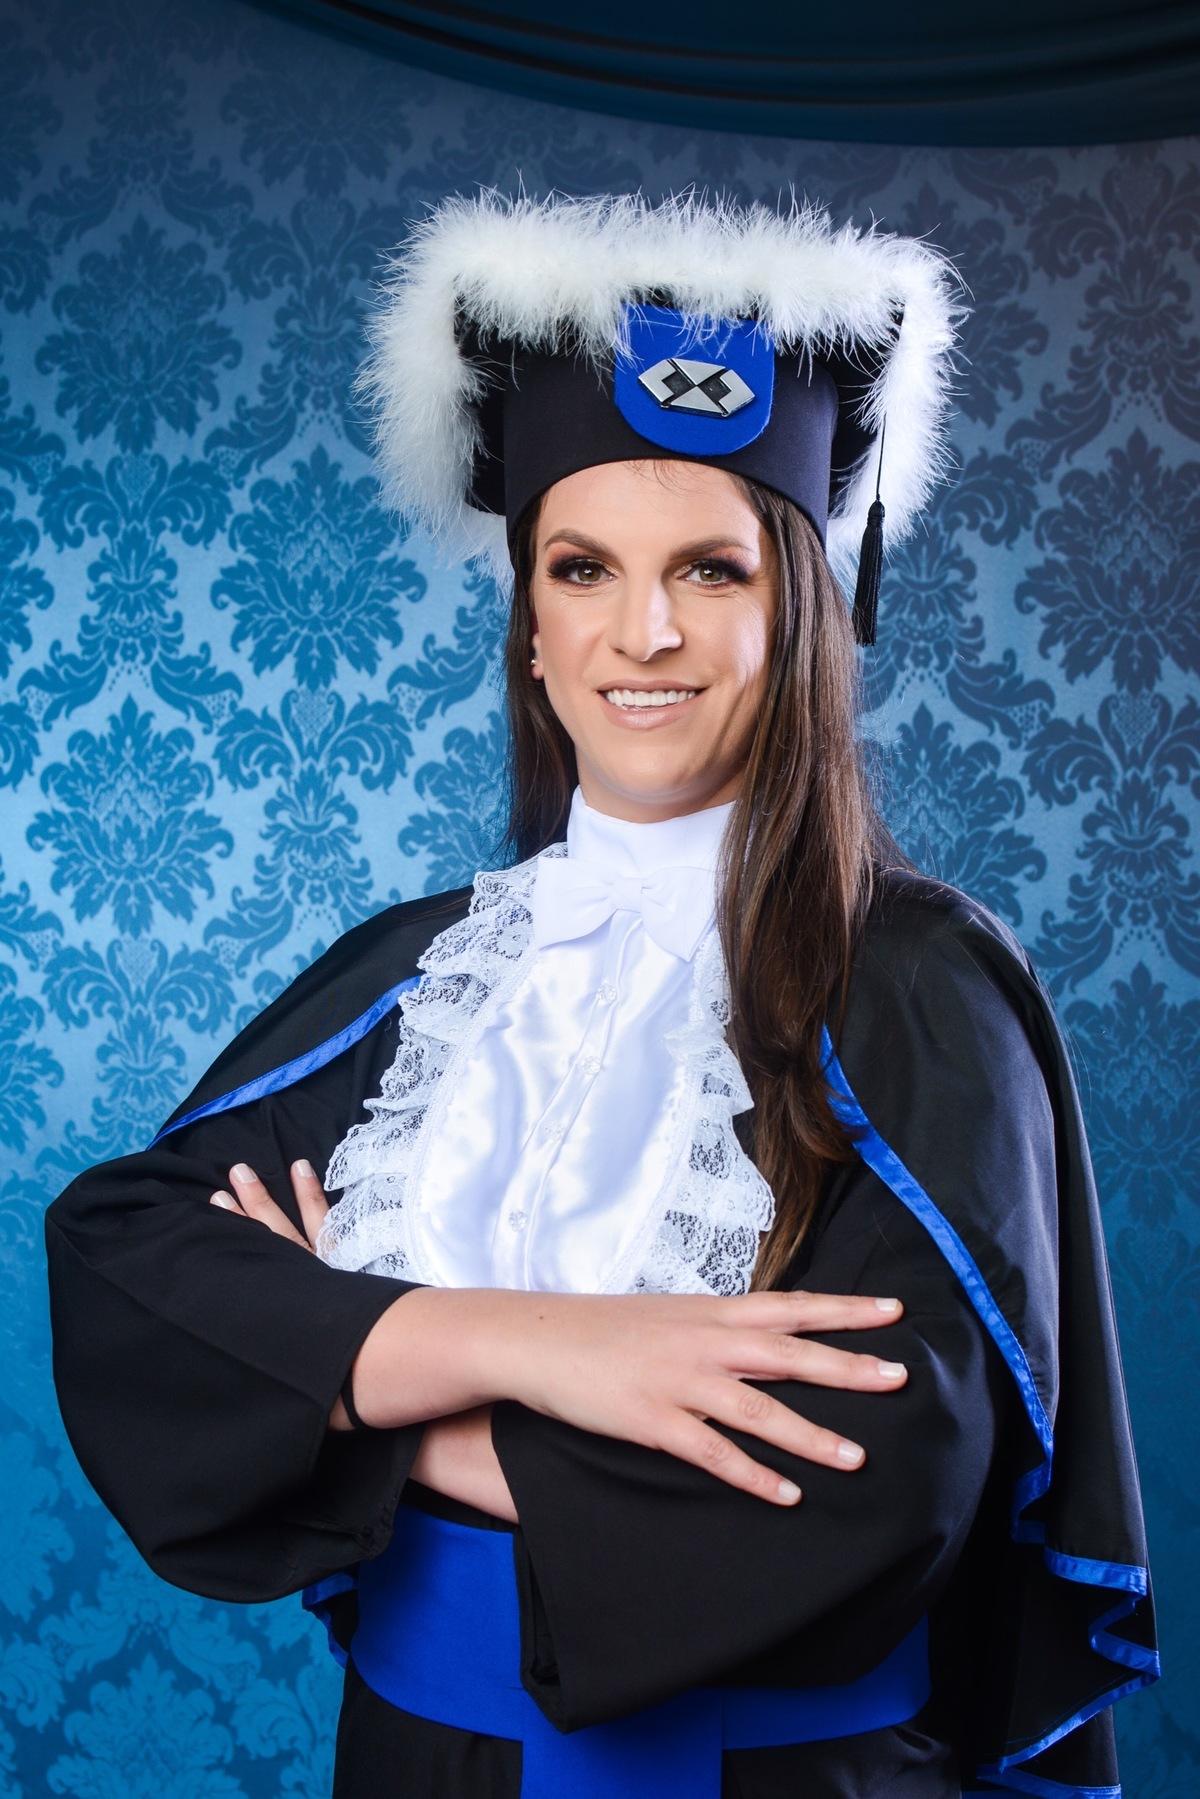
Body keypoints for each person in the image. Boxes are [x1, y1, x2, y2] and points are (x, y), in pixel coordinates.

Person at [46, 194, 1157, 1799]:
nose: (645, 634)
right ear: (532, 630)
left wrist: (364, 1387)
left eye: (711, 569)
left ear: (799, 615)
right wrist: (538, 1348)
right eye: (583, 569)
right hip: (412, 1764)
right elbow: (128, 1268)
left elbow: (868, 1476)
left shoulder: (921, 985)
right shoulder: (429, 967)